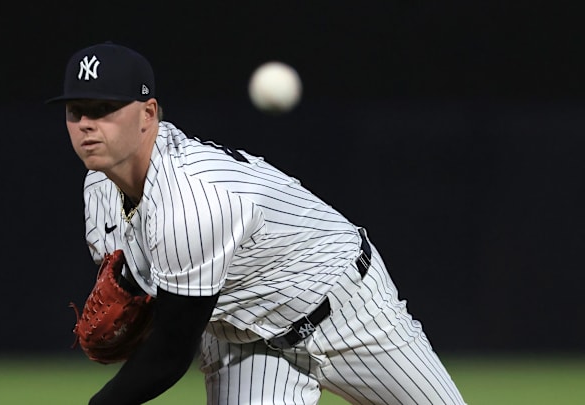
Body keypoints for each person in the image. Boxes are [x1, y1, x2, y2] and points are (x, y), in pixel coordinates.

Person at [47, 42, 466, 405]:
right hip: (242, 340)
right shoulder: (98, 189)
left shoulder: (193, 200)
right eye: (76, 110)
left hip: (347, 312)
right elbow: (158, 302)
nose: (86, 123)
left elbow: (171, 352)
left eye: (105, 109)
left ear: (148, 114)